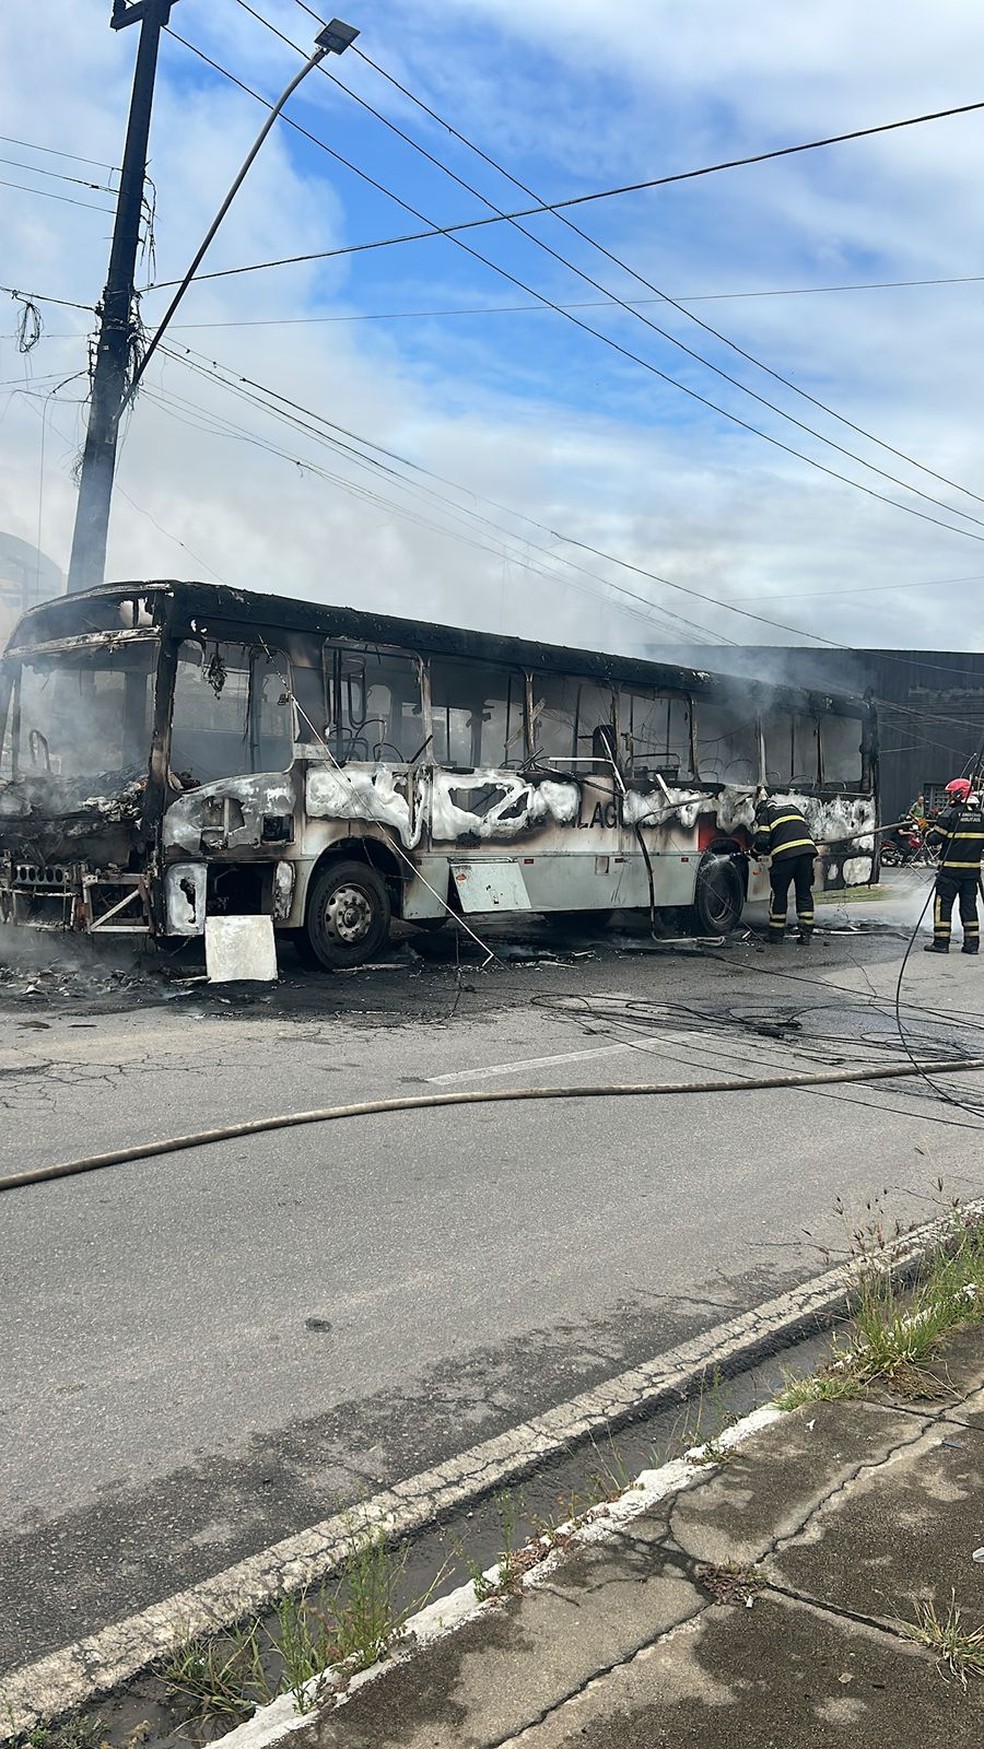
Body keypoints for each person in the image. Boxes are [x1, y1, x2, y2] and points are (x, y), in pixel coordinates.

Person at [924, 777, 984, 955]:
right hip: (971, 873)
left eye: (951, 794)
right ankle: (972, 945)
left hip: (949, 872)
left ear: (958, 794)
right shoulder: (981, 817)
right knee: (969, 906)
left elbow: (934, 839)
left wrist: (924, 829)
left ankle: (941, 943)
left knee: (943, 905)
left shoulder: (949, 814)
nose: (949, 797)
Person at [751, 791, 818, 946]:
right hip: (807, 853)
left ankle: (776, 935)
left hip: (785, 857)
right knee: (804, 893)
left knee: (779, 894)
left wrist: (754, 852)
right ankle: (806, 935)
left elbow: (762, 840)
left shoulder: (766, 814)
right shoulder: (793, 809)